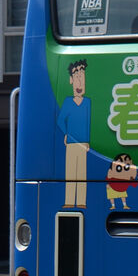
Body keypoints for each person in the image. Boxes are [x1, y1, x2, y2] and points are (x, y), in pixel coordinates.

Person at [56, 59, 91, 209]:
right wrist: (66, 134)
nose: (80, 82)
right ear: (71, 80)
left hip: (83, 143)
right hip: (70, 142)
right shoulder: (68, 102)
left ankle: (81, 202)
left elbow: (88, 123)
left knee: (82, 174)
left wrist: (88, 141)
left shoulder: (87, 102)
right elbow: (60, 120)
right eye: (77, 78)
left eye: (82, 79)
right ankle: (70, 201)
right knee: (71, 173)